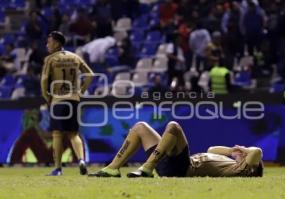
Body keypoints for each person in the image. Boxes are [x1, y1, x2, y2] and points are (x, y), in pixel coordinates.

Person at [88, 121, 263, 178]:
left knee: (173, 126)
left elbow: (257, 152)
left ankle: (147, 168)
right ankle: (112, 168)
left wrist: (245, 149)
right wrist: (233, 151)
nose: (241, 154)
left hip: (183, 168)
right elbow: (212, 148)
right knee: (140, 127)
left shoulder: (243, 170)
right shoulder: (229, 161)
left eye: (244, 156)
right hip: (169, 163)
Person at [41, 31, 94, 176]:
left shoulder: (50, 59)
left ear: (57, 43)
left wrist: (47, 97)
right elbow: (90, 74)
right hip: (73, 99)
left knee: (57, 134)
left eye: (49, 42)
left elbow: (44, 81)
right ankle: (82, 160)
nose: (47, 44)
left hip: (58, 99)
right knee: (73, 133)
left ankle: (58, 168)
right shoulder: (75, 57)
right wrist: (81, 91)